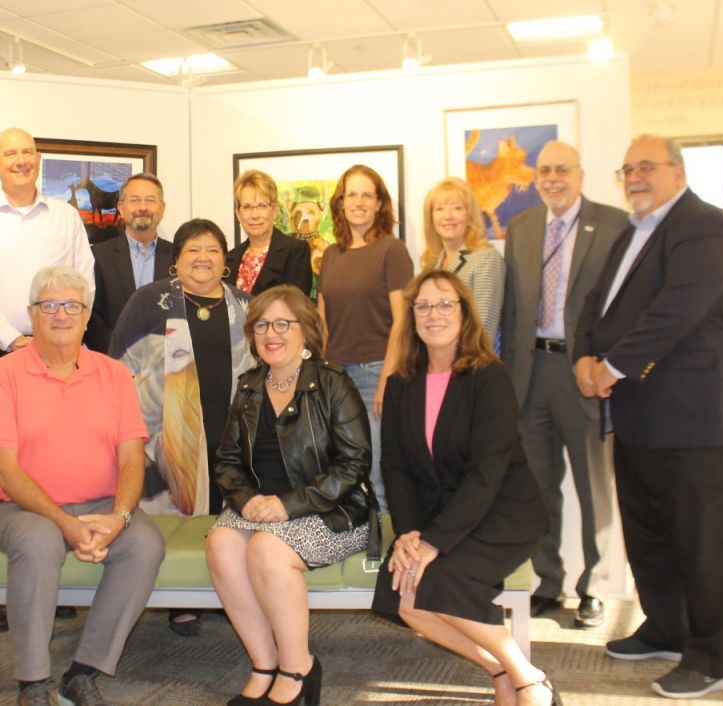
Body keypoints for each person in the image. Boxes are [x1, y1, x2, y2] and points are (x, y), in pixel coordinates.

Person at [574, 135, 723, 700]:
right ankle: (668, 627)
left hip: (701, 419)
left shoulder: (706, 226)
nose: (634, 177)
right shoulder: (633, 231)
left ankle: (715, 657)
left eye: (646, 167)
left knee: (707, 542)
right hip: (640, 418)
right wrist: (584, 353)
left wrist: (612, 367)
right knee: (650, 533)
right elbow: (595, 302)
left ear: (678, 171)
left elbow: (675, 310)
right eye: (627, 168)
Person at [0, 265, 163, 706]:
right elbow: (3, 470)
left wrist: (119, 518)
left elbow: (131, 456)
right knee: (40, 541)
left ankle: (84, 671)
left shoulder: (113, 375)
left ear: (86, 315)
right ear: (32, 313)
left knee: (145, 544)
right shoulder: (2, 375)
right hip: (19, 512)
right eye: (49, 306)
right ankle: (33, 683)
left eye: (72, 306)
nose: (61, 315)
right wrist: (64, 522)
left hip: (100, 504)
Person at [371, 269, 555, 706]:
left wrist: (435, 543)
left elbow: (486, 473)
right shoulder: (400, 383)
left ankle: (526, 681)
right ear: (412, 317)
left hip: (503, 512)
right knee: (402, 594)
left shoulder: (488, 377)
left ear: (464, 313)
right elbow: (395, 466)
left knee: (438, 581)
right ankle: (513, 671)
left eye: (445, 304)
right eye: (423, 306)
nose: (434, 314)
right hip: (439, 517)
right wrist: (411, 533)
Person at [207, 284, 376, 706]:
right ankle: (264, 665)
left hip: (331, 509)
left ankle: (297, 669)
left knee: (266, 549)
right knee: (222, 544)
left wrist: (289, 504)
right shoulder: (248, 387)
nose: (271, 333)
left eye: (284, 323)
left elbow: (355, 464)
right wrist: (246, 500)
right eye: (262, 324)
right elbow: (226, 461)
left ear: (306, 331)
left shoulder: (332, 382)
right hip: (261, 508)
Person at [500, 141, 629, 627]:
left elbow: (623, 303)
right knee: (538, 486)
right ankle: (548, 581)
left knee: (594, 485)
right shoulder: (522, 227)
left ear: (580, 174)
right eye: (545, 171)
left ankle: (593, 587)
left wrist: (609, 364)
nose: (553, 178)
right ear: (536, 179)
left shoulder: (613, 224)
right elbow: (513, 310)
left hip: (584, 374)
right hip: (531, 374)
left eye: (562, 170)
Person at [0, 127, 94, 555]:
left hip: (61, 356)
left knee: (57, 459)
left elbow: (84, 281)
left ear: (38, 159)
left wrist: (57, 334)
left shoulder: (64, 217)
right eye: (10, 153)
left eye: (28, 152)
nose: (20, 160)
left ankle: (61, 565)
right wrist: (14, 340)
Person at [109, 217, 254, 636]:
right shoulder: (149, 300)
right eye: (193, 250)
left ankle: (229, 591)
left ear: (225, 261)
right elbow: (119, 362)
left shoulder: (245, 304)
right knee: (176, 513)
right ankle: (179, 600)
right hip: (166, 432)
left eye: (212, 250)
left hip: (231, 430)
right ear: (177, 261)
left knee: (228, 513)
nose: (203, 258)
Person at [316, 164, 414, 511]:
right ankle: (353, 547)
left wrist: (388, 377)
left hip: (376, 374)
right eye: (351, 194)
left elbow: (402, 321)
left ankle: (385, 556)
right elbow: (322, 321)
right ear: (341, 203)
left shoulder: (392, 250)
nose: (358, 202)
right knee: (342, 469)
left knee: (375, 475)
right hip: (336, 376)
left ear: (379, 204)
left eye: (366, 195)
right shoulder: (330, 255)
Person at [85, 173, 173, 354]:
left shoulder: (178, 256)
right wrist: (121, 351)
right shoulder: (98, 256)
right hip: (114, 364)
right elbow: (91, 315)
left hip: (170, 365)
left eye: (150, 200)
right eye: (135, 200)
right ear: (121, 208)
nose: (143, 207)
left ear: (162, 209)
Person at [420, 177, 504, 342]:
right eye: (440, 209)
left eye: (457, 208)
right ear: (431, 218)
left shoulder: (486, 258)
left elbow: (484, 327)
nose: (448, 216)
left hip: (470, 360)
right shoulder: (432, 263)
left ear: (470, 215)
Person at [226, 170, 313, 297]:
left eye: (262, 206)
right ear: (238, 214)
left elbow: (296, 306)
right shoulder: (229, 259)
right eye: (247, 207)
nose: (255, 215)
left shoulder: (295, 251)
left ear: (274, 211)